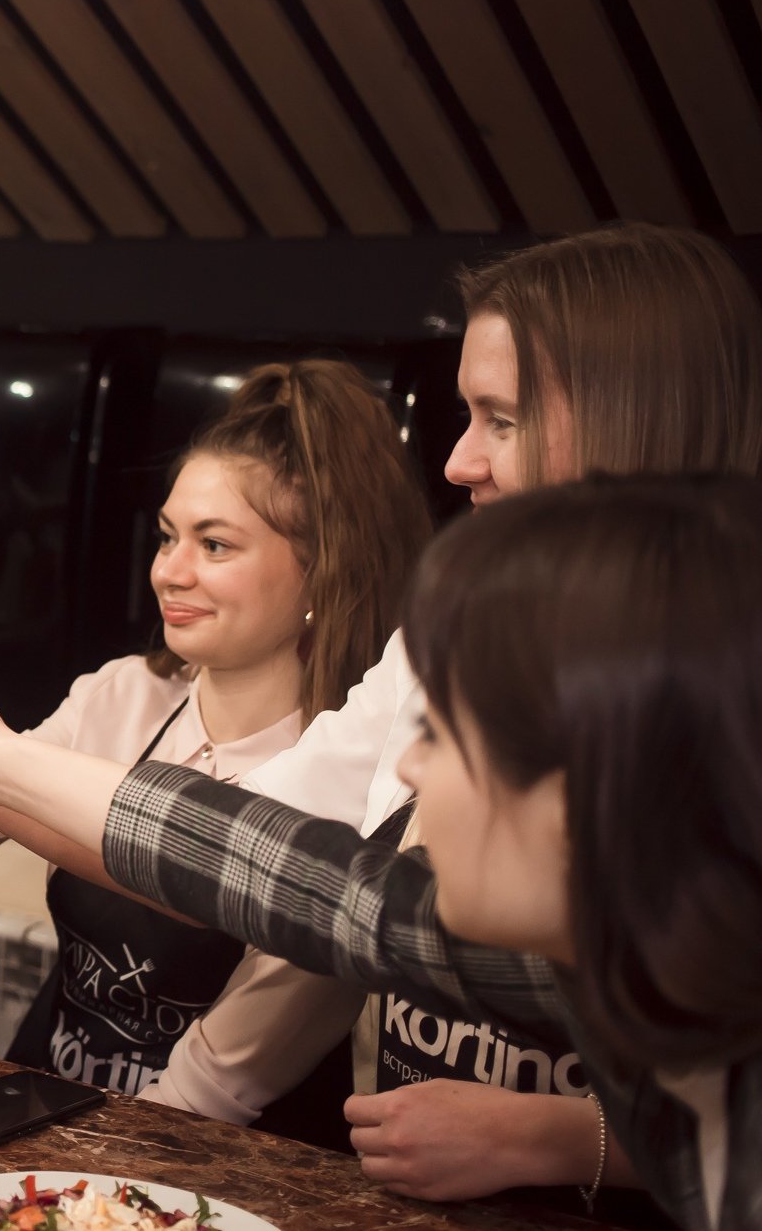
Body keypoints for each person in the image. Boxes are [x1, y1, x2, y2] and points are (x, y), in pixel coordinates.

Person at [0, 475, 762, 1231]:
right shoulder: (629, 955)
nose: (410, 767)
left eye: (454, 725)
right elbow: (305, 879)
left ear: (605, 766)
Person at [129, 224, 760, 1215]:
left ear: (632, 426)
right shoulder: (448, 633)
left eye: (499, 418)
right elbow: (289, 860)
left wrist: (563, 1136)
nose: (460, 460)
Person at [0, 360, 431, 1106]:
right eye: (167, 537)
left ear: (322, 569)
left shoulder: (353, 771)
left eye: (215, 545)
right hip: (50, 1081)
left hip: (209, 1139)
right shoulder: (123, 693)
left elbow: (224, 1077)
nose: (170, 571)